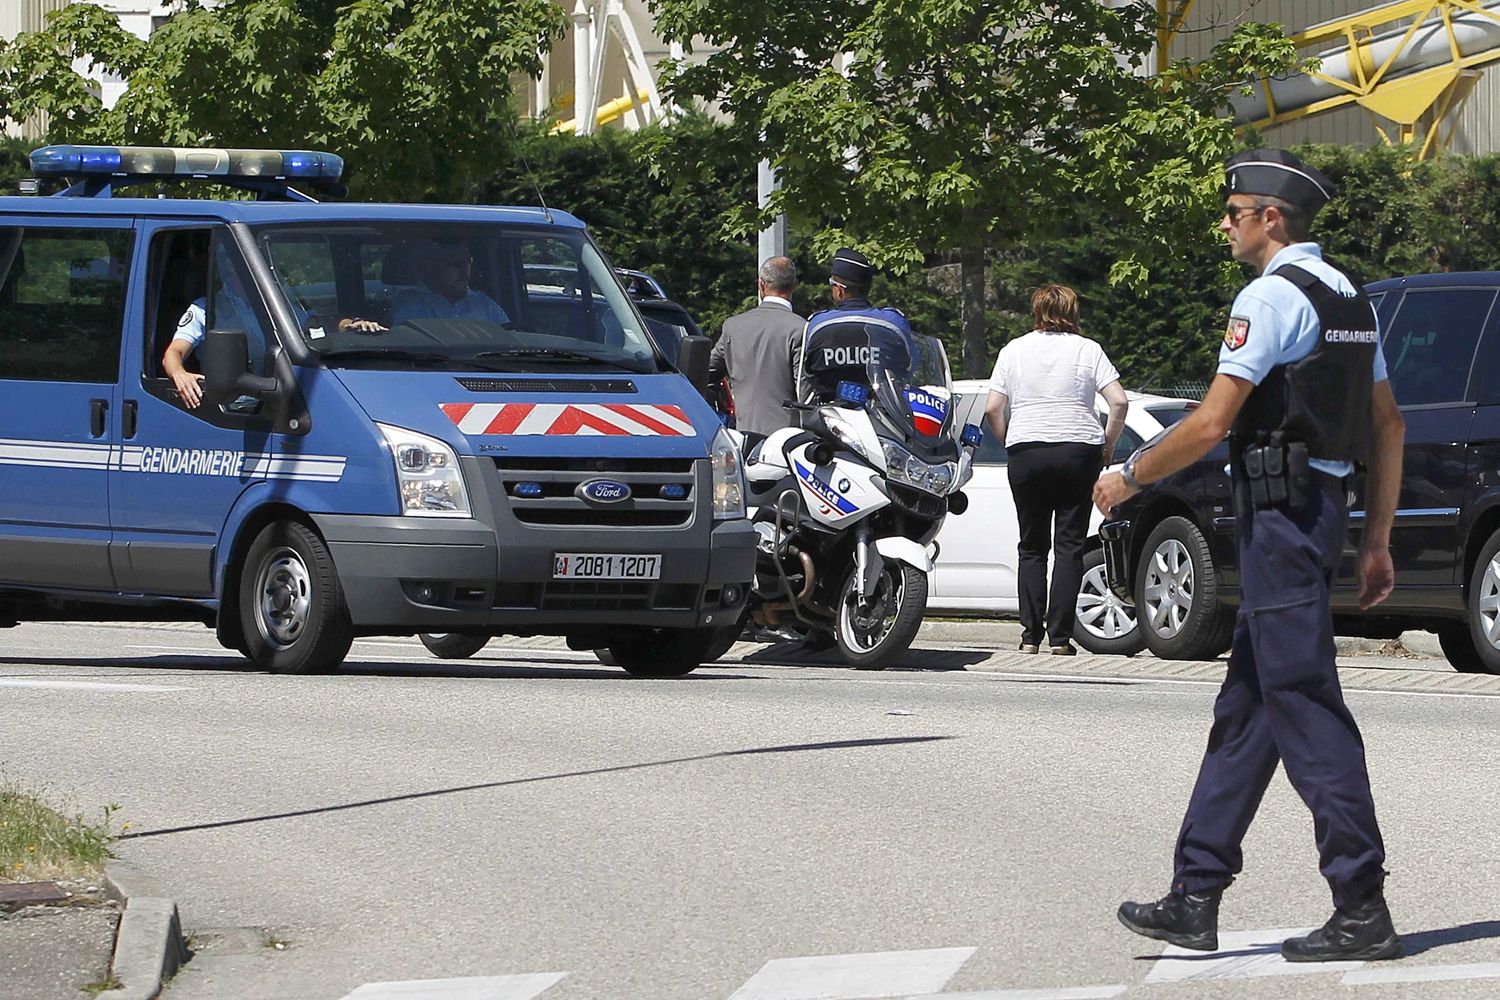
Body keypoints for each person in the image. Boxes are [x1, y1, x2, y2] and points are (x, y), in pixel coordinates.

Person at [1095, 149, 1407, 962]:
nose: (1224, 224)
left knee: (1303, 702)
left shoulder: (1268, 296)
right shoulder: (1350, 298)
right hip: (1319, 513)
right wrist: (1374, 540)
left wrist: (1128, 477)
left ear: (1272, 219)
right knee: (1248, 711)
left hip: (1281, 517)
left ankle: (1361, 902)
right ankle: (1195, 894)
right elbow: (1389, 426)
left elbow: (1210, 423)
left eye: (1234, 212)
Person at [985, 284, 1127, 656]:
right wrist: (1106, 444)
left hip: (1027, 450)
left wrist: (1010, 442)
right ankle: (1060, 638)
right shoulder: (1088, 349)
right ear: (1073, 312)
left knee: (1031, 546)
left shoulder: (1013, 350)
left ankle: (1029, 636)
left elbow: (993, 408)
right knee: (1070, 546)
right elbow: (1119, 401)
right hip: (1079, 450)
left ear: (1036, 311)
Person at [708, 256, 805, 436]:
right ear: (794, 285)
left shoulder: (733, 327)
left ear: (761, 285)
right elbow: (806, 390)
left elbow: (705, 373)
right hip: (788, 440)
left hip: (744, 438)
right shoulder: (801, 329)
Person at [162, 262, 263, 409]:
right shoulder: (205, 309)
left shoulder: (273, 305)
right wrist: (179, 374)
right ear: (228, 270)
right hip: (232, 405)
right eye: (238, 267)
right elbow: (172, 353)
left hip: (274, 395)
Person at [389, 239, 509, 329]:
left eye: (467, 262)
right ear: (431, 267)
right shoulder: (409, 307)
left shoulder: (486, 305)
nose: (464, 270)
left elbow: (511, 341)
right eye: (455, 263)